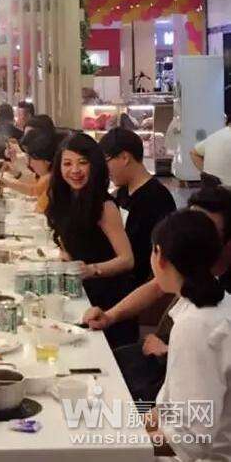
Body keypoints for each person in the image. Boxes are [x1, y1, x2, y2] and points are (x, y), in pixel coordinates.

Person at [83, 186, 231, 402]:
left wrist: (170, 351)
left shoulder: (197, 322)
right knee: (98, 369)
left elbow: (196, 416)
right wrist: (110, 316)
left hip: (184, 373)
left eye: (204, 231)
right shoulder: (194, 273)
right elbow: (156, 286)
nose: (191, 236)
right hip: (171, 362)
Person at [144, 210, 231, 460]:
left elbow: (191, 440)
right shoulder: (218, 304)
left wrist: (121, 443)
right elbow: (168, 407)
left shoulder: (196, 326)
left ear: (159, 256)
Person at [45, 133, 137, 347]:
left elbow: (127, 260)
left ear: (94, 166)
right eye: (67, 163)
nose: (75, 170)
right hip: (80, 293)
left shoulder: (104, 206)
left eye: (82, 163)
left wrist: (92, 269)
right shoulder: (66, 199)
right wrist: (65, 257)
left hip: (107, 301)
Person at [100, 128, 176, 288]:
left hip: (139, 287)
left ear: (124, 158)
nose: (105, 170)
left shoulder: (157, 199)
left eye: (106, 161)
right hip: (119, 278)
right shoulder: (122, 193)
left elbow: (164, 257)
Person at [0, 128, 61, 214]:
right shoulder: (45, 175)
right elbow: (32, 182)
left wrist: (7, 182)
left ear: (46, 160)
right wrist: (16, 174)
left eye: (32, 158)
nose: (30, 163)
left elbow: (33, 190)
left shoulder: (50, 178)